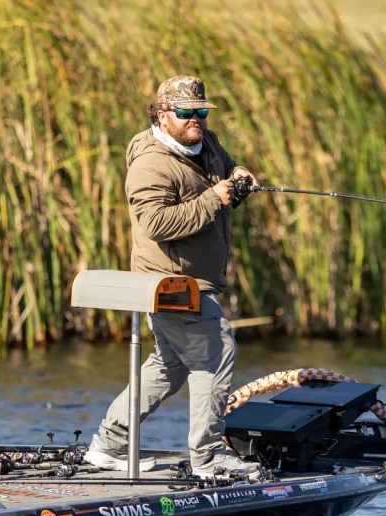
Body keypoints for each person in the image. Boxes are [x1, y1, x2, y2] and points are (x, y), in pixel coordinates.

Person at [85, 75, 261, 480]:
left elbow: (225, 164)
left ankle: (109, 445)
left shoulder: (206, 142)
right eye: (185, 112)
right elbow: (157, 224)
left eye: (201, 111)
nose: (195, 118)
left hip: (195, 280)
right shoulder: (150, 165)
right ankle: (209, 458)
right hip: (171, 283)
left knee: (170, 366)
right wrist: (213, 198)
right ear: (162, 115)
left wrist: (238, 174)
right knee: (216, 353)